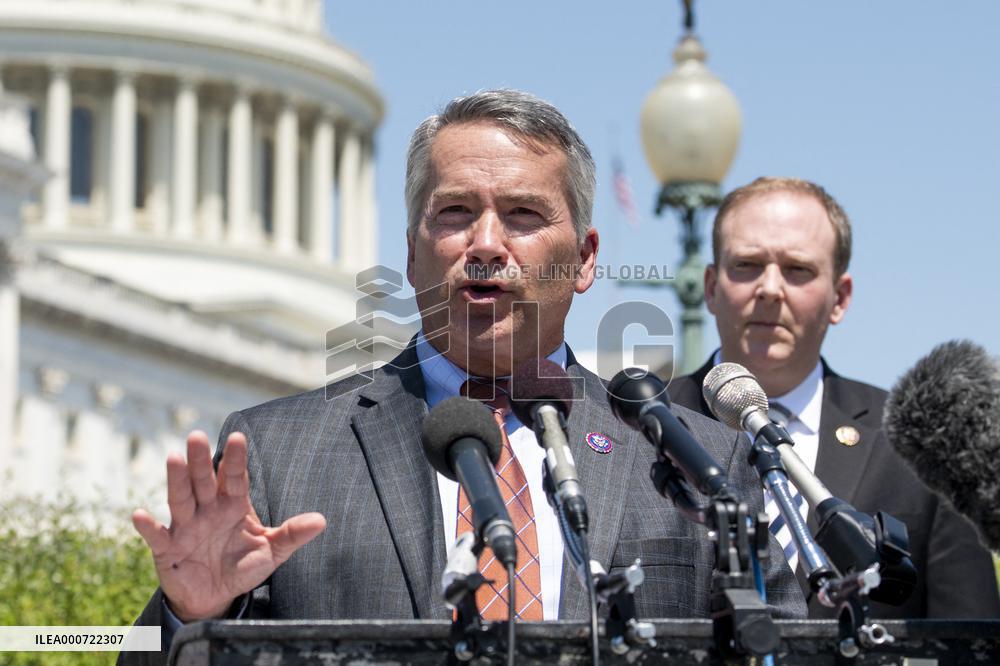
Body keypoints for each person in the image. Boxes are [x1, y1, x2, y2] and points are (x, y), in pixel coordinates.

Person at [122, 91, 805, 664]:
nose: (484, 243)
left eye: (523, 215)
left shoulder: (701, 459)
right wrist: (189, 616)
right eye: (454, 213)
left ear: (586, 258)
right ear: (414, 254)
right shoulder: (278, 454)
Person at [668, 176, 1000, 619]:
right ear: (710, 287)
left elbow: (968, 637)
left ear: (840, 297)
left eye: (797, 269)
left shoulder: (919, 442)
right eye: (746, 265)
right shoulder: (639, 426)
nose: (769, 288)